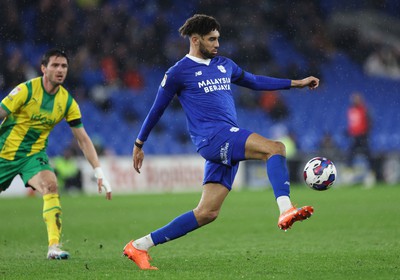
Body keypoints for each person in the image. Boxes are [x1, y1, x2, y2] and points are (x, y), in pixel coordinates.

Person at [123, 14, 319, 270]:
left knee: (206, 213)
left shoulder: (225, 64)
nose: (217, 44)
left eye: (218, 39)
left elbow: (255, 81)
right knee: (276, 148)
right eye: (211, 39)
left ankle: (139, 246)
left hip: (225, 137)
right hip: (213, 137)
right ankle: (285, 208)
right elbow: (156, 109)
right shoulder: (178, 73)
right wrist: (139, 144)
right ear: (195, 40)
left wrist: (296, 83)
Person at [0, 48, 112, 260]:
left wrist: (99, 171)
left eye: (64, 66)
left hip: (32, 157)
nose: (60, 70)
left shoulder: (67, 102)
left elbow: (83, 139)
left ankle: (54, 247)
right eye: (55, 65)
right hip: (3, 153)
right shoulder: (25, 90)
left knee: (51, 185)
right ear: (44, 68)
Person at [346, 91, 372, 168]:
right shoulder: (351, 110)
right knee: (351, 153)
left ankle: (372, 170)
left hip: (362, 135)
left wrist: (366, 132)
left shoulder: (364, 109)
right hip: (354, 135)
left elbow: (369, 121)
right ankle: (349, 169)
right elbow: (352, 123)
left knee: (367, 153)